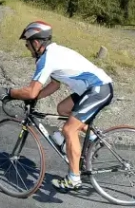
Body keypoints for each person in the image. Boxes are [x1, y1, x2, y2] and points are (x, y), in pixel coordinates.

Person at [1, 20, 114, 191]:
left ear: (36, 43)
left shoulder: (47, 59)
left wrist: (9, 93)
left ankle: (74, 179)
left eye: (27, 44)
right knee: (63, 109)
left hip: (97, 89)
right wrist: (34, 98)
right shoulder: (53, 53)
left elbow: (31, 91)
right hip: (92, 89)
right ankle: (93, 138)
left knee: (69, 130)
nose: (27, 48)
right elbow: (54, 85)